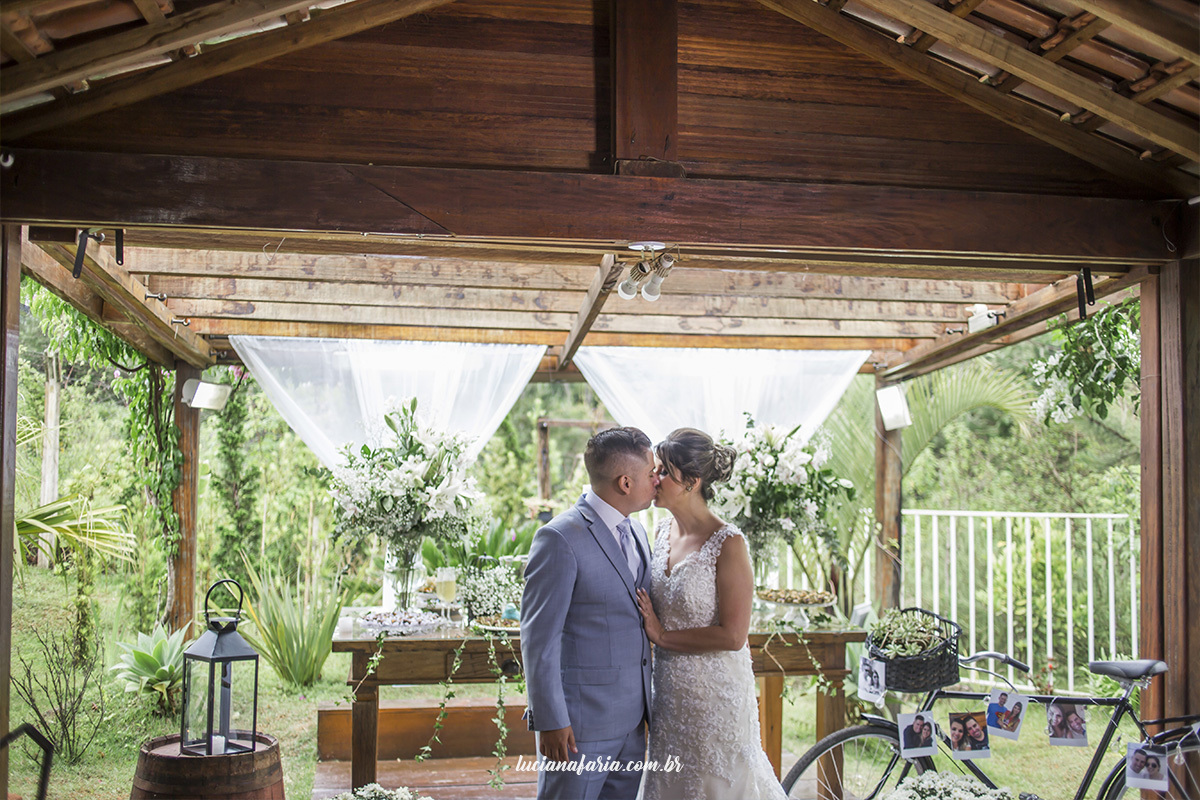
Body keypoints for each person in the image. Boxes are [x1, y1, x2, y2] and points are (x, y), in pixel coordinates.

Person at [634, 428, 786, 800]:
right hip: (669, 694)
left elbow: (734, 636)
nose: (655, 479)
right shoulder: (659, 532)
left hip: (715, 696)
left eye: (664, 472)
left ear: (692, 482)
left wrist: (662, 636)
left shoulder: (728, 543)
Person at [520, 427, 659, 800]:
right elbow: (538, 640)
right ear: (626, 482)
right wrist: (550, 721)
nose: (657, 480)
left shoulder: (640, 533)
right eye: (652, 473)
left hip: (633, 722)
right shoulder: (560, 538)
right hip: (578, 727)